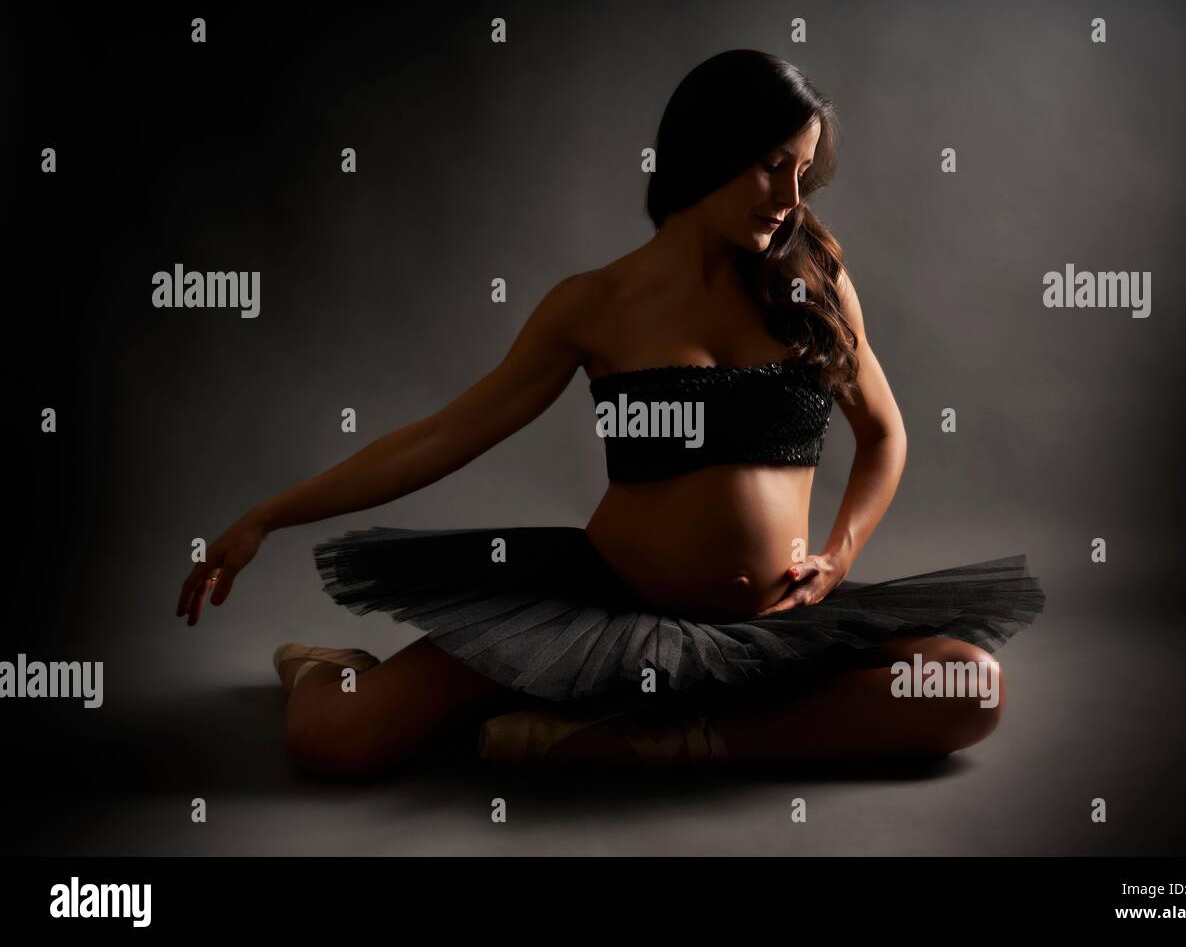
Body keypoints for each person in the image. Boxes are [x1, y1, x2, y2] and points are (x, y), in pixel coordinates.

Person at [174, 50, 1045, 780]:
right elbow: (443, 437)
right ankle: (330, 671)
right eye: (772, 162)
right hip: (602, 610)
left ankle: (653, 738)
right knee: (331, 742)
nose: (791, 193)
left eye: (803, 168)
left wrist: (839, 555)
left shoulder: (810, 283)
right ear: (707, 151)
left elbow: (884, 434)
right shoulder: (592, 305)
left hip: (775, 620)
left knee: (971, 689)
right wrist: (269, 514)